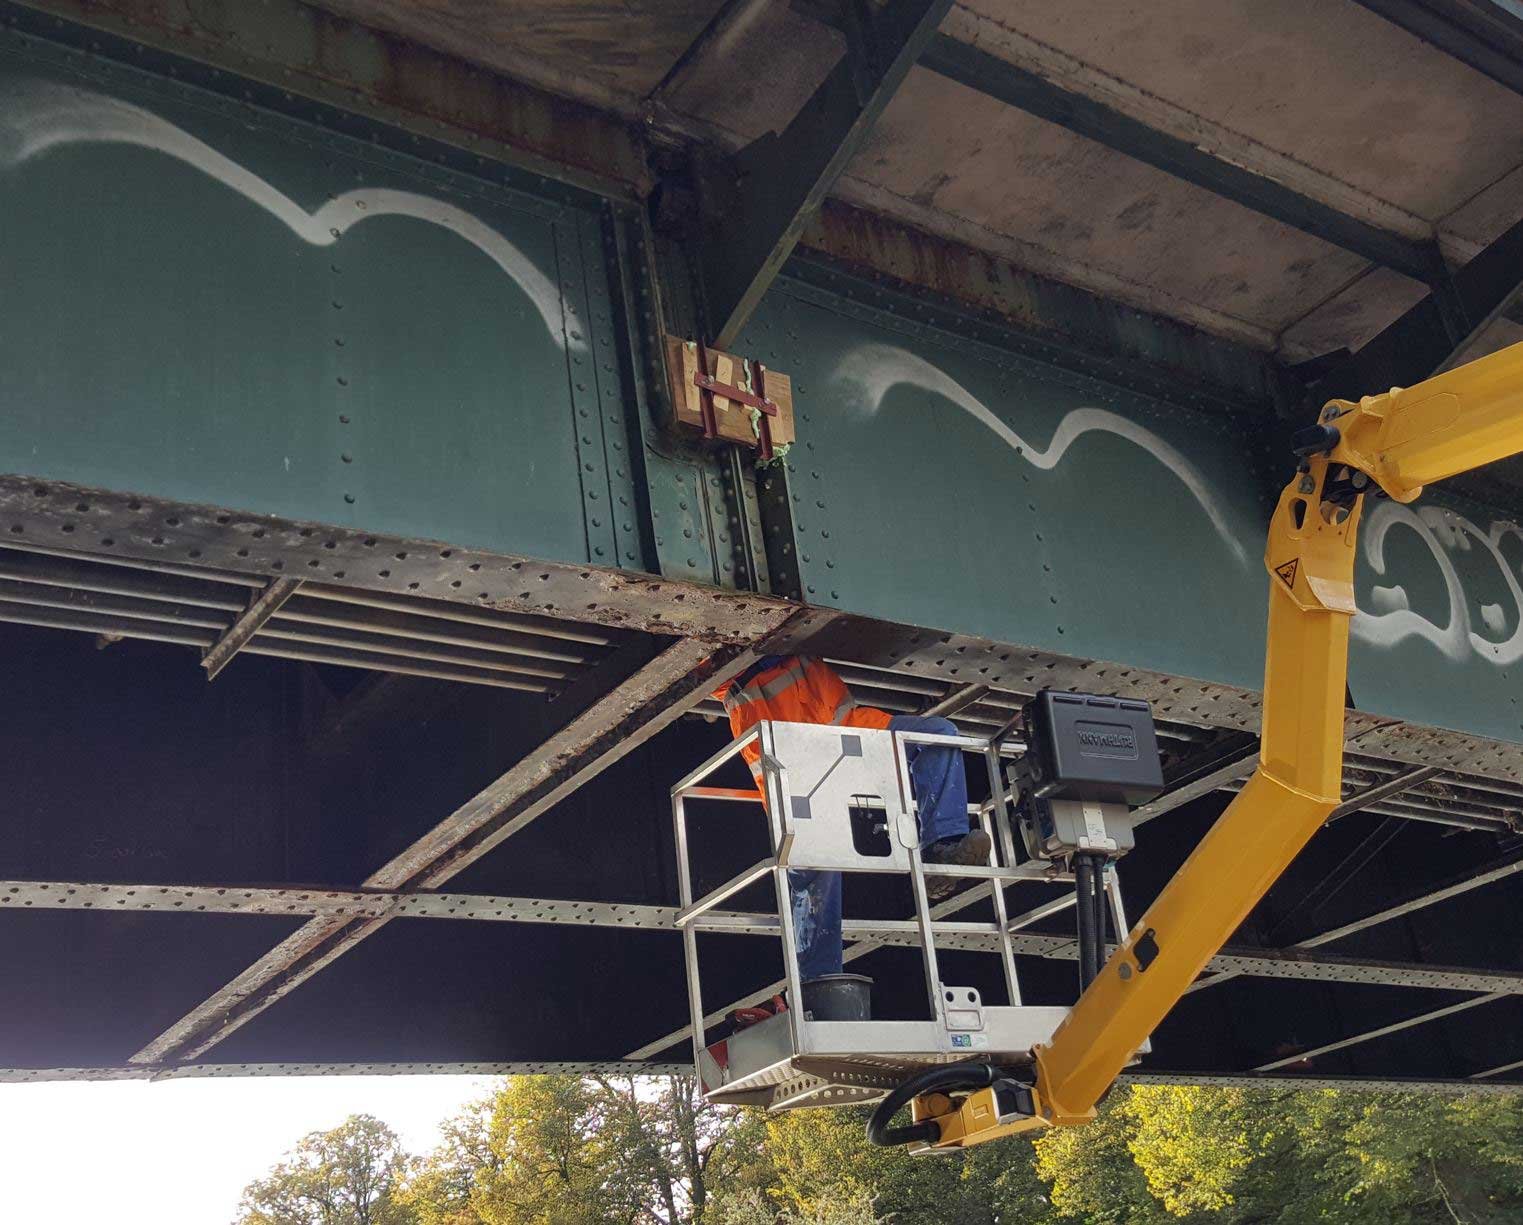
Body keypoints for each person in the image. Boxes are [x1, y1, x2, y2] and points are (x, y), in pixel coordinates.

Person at [714, 655, 991, 982]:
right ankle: (819, 985)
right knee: (815, 867)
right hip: (797, 767)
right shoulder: (734, 673)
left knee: (939, 735)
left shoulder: (791, 643)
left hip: (853, 734)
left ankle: (943, 847)